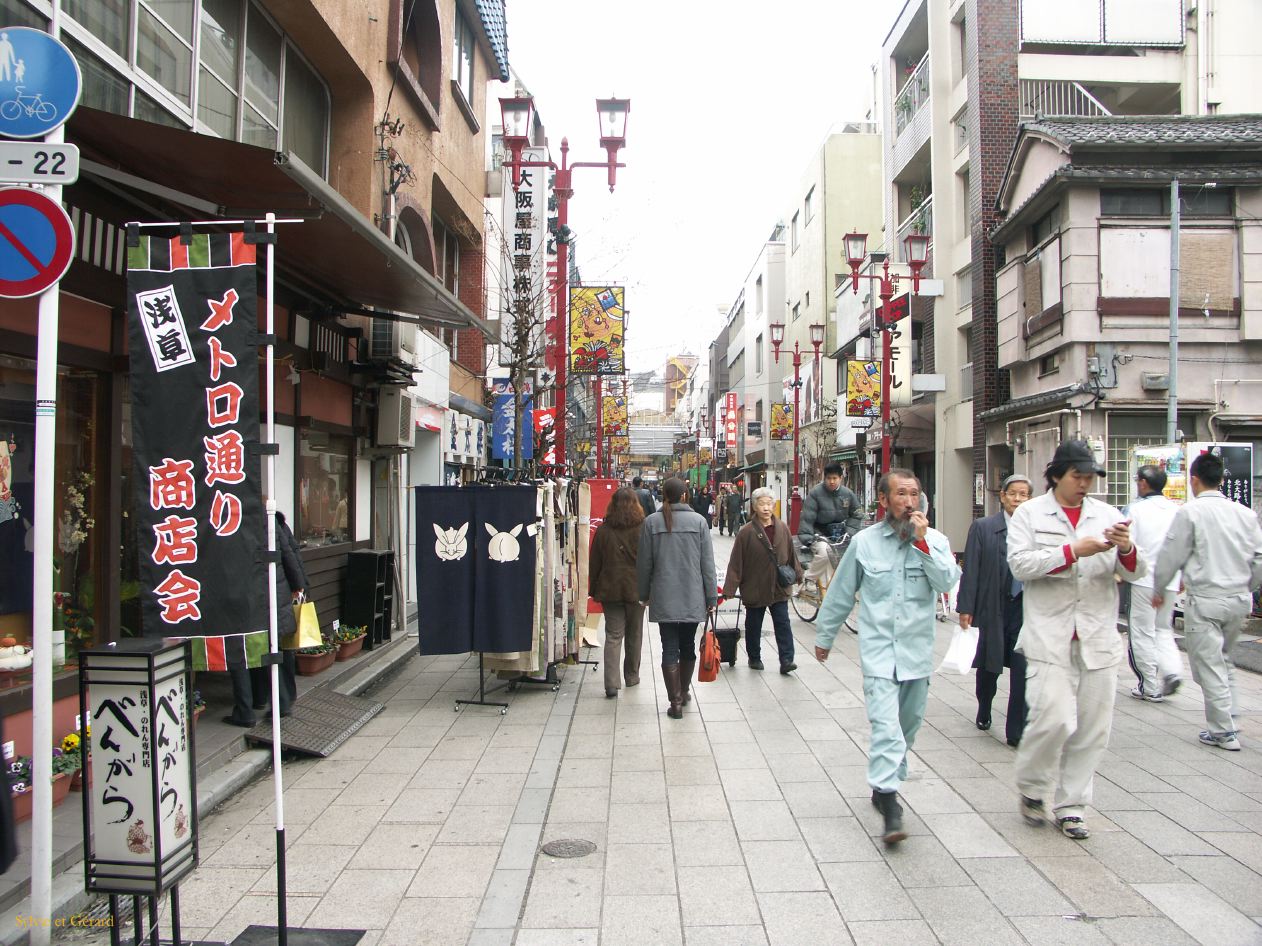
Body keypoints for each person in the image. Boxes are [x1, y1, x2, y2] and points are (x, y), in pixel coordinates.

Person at [814, 469, 959, 845]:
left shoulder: (936, 540)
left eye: (914, 493)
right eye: (901, 494)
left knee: (907, 727)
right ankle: (890, 801)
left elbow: (946, 583)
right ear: (883, 501)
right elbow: (843, 592)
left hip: (917, 653)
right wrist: (825, 636)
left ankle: (884, 784)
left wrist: (924, 545)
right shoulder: (864, 543)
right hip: (878, 652)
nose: (909, 501)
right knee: (886, 727)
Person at [1008, 439, 1143, 840]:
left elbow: (1135, 572)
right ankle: (1032, 787)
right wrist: (1071, 550)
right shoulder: (1030, 514)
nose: (1084, 484)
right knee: (1053, 718)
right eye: (1077, 476)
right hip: (1049, 633)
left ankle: (1072, 806)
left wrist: (1127, 549)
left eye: (1089, 477)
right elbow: (1020, 565)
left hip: (1098, 633)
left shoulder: (1107, 514)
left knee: (1092, 727)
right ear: (1056, 476)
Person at [1152, 452, 1262, 751]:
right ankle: (1230, 717)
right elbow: (1259, 559)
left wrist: (1159, 587)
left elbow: (1170, 555)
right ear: (1221, 479)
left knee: (1208, 666)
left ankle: (1223, 731)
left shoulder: (1191, 513)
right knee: (1224, 659)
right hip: (1239, 599)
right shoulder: (1245, 513)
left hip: (1206, 599)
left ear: (1194, 480)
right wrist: (1247, 586)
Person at [958, 474, 1032, 747]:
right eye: (1013, 493)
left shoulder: (1035, 531)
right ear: (1002, 496)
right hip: (992, 606)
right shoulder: (984, 527)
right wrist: (966, 607)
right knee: (989, 667)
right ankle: (984, 706)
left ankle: (1016, 730)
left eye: (1023, 494)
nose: (1017, 499)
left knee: (1023, 669)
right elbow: (971, 570)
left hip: (1024, 609)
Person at [638, 477, 717, 719]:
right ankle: (683, 691)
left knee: (668, 647)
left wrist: (643, 594)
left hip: (664, 595)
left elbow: (644, 564)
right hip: (692, 594)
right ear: (685, 496)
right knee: (688, 645)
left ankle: (675, 702)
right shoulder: (699, 522)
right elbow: (708, 565)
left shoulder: (651, 522)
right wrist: (711, 596)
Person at [227, 511, 308, 726]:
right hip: (273, 591)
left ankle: (246, 709)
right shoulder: (268, 520)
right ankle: (280, 702)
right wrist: (299, 584)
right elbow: (289, 555)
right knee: (273, 648)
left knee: (240, 650)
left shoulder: (226, 520)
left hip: (241, 595)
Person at [724, 486, 804, 673]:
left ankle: (786, 660)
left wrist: (798, 574)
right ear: (754, 507)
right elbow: (736, 562)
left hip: (778, 586)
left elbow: (791, 554)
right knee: (753, 625)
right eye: (762, 504)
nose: (766, 508)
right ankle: (754, 657)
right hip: (755, 585)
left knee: (783, 623)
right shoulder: (746, 532)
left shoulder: (782, 528)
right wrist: (729, 588)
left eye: (769, 504)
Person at [1125, 464, 1183, 702]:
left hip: (1144, 579)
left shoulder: (1136, 511)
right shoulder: (1177, 510)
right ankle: (1172, 671)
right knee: (1162, 628)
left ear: (1143, 483)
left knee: (1141, 631)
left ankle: (1149, 685)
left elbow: (1127, 544)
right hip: (1171, 580)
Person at [590, 487, 647, 698]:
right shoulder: (643, 528)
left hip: (610, 588)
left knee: (613, 635)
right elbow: (650, 560)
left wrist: (594, 587)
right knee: (635, 633)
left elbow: (595, 562)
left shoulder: (604, 530)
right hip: (637, 588)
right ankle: (631, 676)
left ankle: (611, 684)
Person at [798, 464, 863, 584]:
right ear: (824, 478)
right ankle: (809, 579)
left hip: (840, 534)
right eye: (828, 478)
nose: (831, 481)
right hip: (819, 535)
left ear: (840, 478)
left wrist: (850, 532)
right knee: (825, 553)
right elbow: (807, 517)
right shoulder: (815, 493)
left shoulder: (848, 494)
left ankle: (829, 595)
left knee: (845, 562)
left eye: (835, 478)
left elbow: (857, 514)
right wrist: (808, 538)